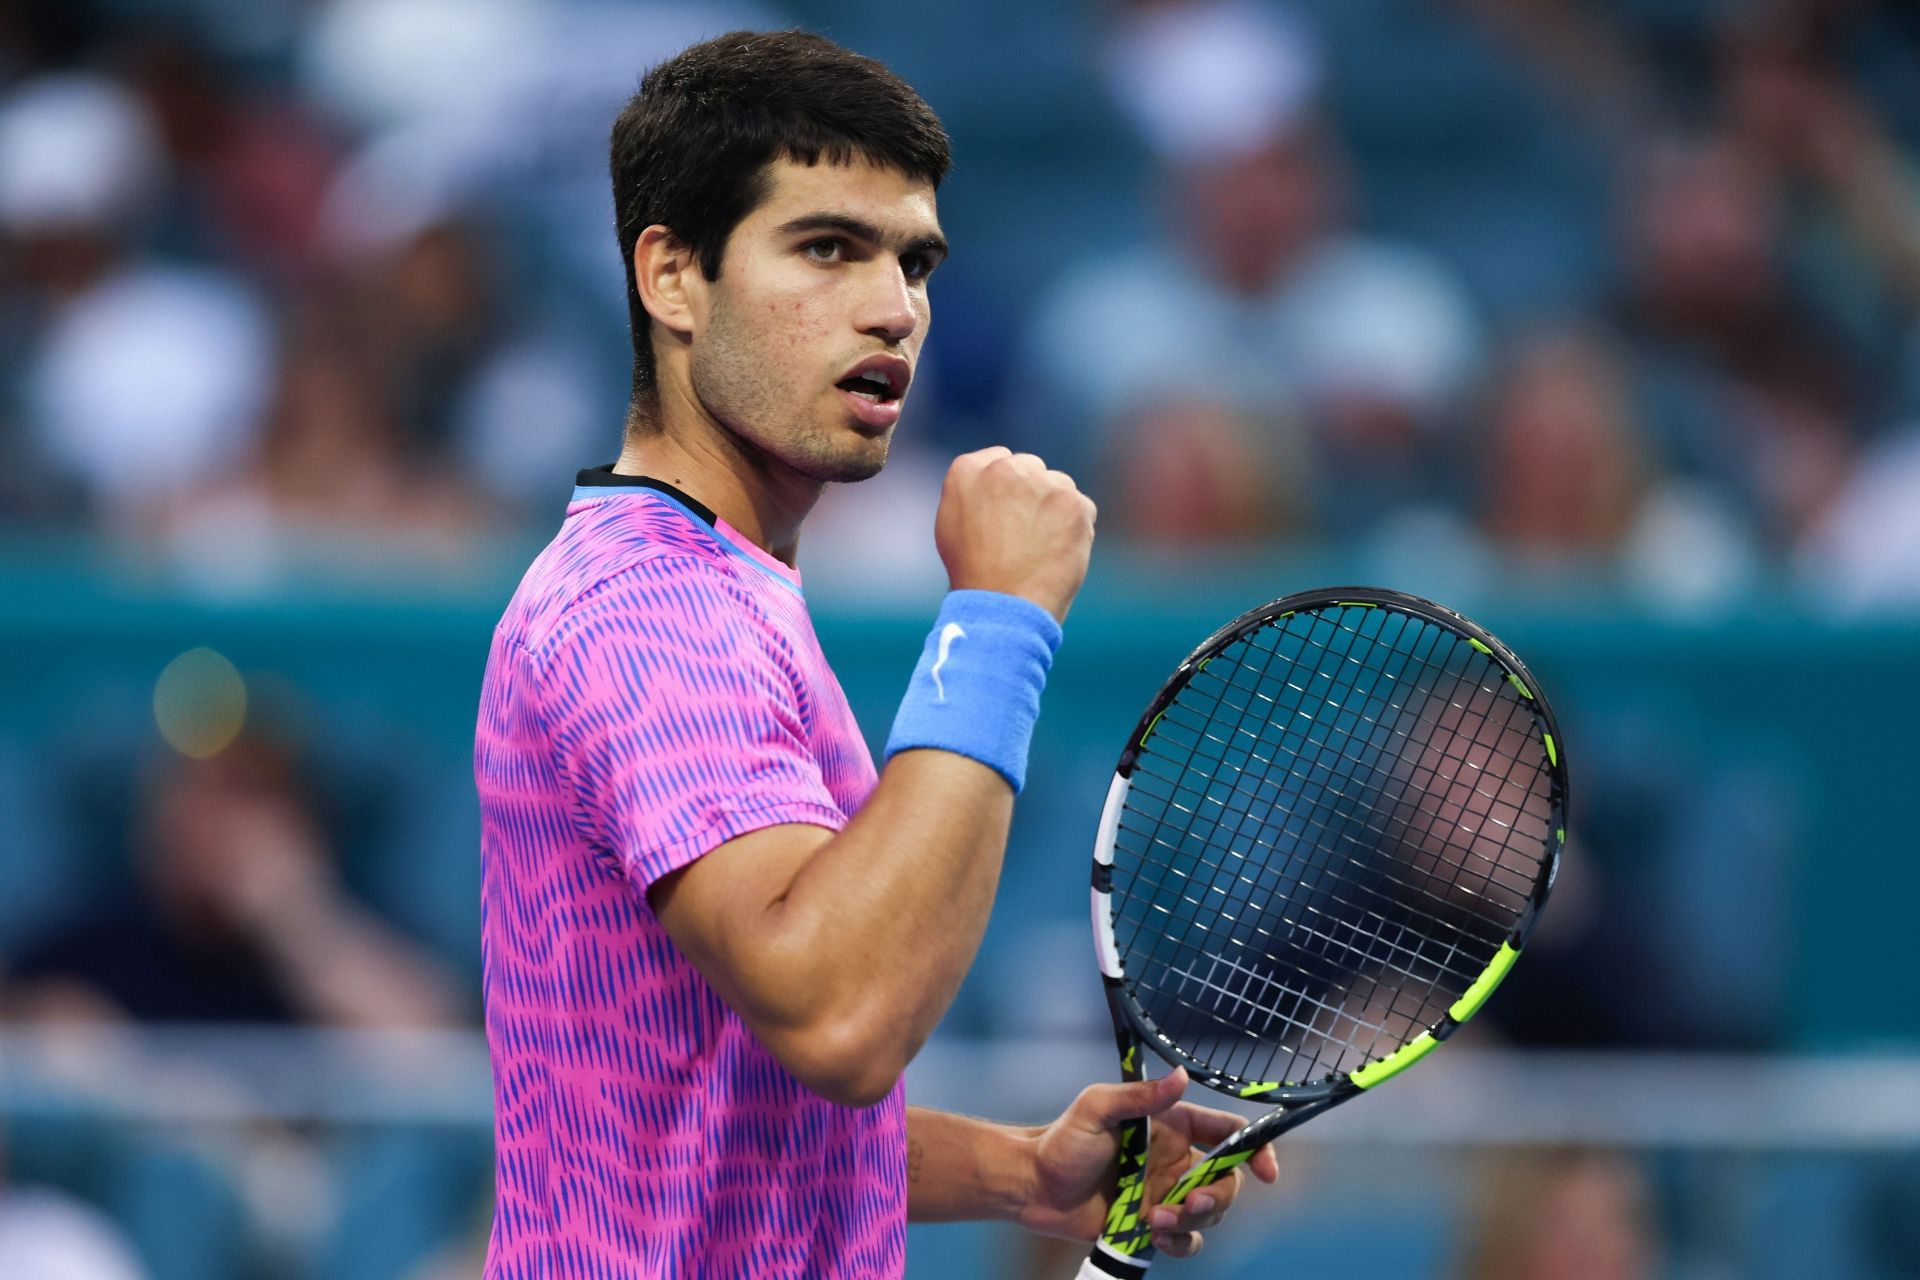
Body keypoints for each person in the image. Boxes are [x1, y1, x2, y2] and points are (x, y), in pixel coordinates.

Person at [472, 30, 1277, 1279]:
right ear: (673, 277)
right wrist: (1001, 614)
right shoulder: (643, 610)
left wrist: (1023, 1171)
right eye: (828, 246)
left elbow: (708, 1110)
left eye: (914, 260)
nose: (895, 305)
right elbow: (842, 1017)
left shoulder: (713, 587)